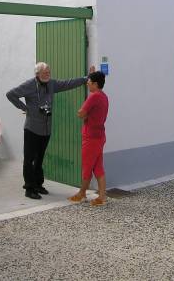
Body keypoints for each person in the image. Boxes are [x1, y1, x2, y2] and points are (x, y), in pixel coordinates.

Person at [6, 62, 95, 200]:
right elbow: (11, 94)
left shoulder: (51, 84)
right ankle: (29, 188)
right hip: (32, 128)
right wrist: (25, 108)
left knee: (40, 158)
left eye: (49, 72)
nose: (48, 74)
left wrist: (86, 78)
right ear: (37, 74)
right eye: (45, 72)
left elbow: (67, 83)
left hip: (46, 129)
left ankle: (38, 184)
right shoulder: (29, 84)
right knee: (29, 160)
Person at [68, 71, 108, 206]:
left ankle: (82, 193)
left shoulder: (93, 97)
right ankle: (102, 197)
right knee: (98, 167)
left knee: (87, 167)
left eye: (89, 82)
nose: (87, 83)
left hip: (91, 137)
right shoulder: (104, 96)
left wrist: (85, 116)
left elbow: (81, 113)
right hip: (100, 136)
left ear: (95, 84)